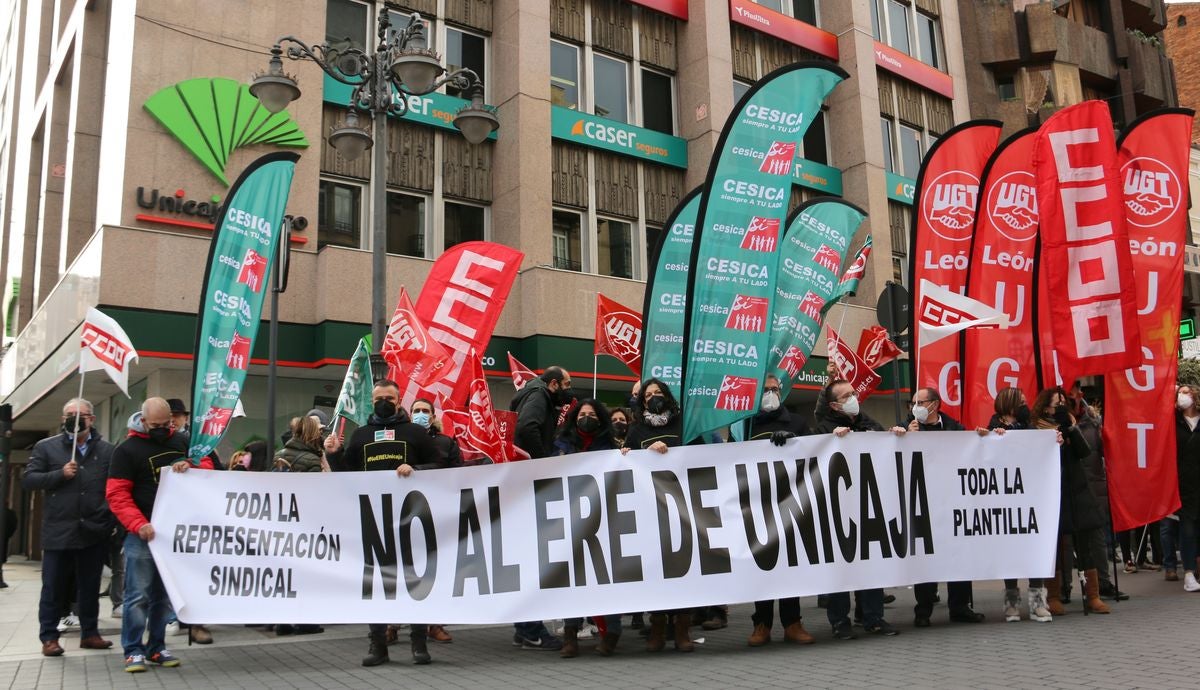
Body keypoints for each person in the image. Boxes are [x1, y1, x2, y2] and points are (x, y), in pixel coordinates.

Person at [333, 380, 443, 666]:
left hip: (411, 520)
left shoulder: (416, 433)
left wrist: (416, 468)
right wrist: (333, 455)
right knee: (376, 584)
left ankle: (419, 643)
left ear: (398, 401)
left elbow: (441, 465)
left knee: (415, 580)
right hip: (374, 522)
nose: (384, 402)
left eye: (389, 398)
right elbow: (346, 477)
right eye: (379, 398)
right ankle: (378, 644)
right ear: (372, 401)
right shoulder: (361, 435)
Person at [107, 397, 213, 673]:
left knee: (162, 597)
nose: (163, 428)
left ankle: (156, 647)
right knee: (137, 596)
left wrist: (191, 465)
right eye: (156, 425)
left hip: (173, 536)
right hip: (142, 534)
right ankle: (132, 650)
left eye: (167, 424)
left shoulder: (181, 442)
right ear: (143, 421)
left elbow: (209, 471)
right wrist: (137, 524)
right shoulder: (126, 451)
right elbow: (117, 495)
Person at [22, 397, 116, 656]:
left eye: (80, 414)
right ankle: (49, 638)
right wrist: (59, 475)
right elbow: (29, 479)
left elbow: (114, 489)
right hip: (59, 531)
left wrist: (107, 521)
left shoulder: (107, 451)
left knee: (89, 586)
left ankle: (90, 633)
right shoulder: (46, 447)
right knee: (53, 586)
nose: (74, 419)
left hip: (92, 531)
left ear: (92, 419)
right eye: (68, 415)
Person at [814, 379, 904, 639]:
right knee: (841, 568)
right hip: (839, 509)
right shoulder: (823, 429)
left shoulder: (866, 422)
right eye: (846, 396)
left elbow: (883, 446)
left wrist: (894, 435)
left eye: (853, 393)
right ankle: (839, 622)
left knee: (870, 564)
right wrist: (832, 441)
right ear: (833, 405)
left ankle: (873, 618)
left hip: (869, 507)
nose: (853, 398)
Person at [621, 378, 698, 652]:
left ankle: (682, 628)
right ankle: (658, 625)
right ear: (642, 402)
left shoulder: (684, 424)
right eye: (648, 395)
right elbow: (625, 460)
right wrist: (638, 453)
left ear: (667, 396)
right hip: (651, 508)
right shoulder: (636, 429)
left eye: (658, 393)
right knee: (656, 569)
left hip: (684, 506)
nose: (653, 397)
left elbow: (704, 456)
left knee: (683, 567)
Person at [904, 387, 987, 627]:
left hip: (952, 501)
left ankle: (960, 607)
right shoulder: (908, 427)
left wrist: (982, 439)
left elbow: (971, 452)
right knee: (925, 557)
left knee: (958, 555)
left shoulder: (955, 429)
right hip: (922, 502)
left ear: (935, 404)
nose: (915, 406)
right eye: (913, 402)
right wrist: (905, 436)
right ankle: (923, 610)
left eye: (920, 401)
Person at [745, 374, 815, 646]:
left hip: (790, 503)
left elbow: (813, 454)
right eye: (765, 390)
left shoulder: (796, 422)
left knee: (789, 565)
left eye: (775, 389)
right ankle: (761, 624)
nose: (771, 393)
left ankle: (792, 622)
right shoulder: (744, 425)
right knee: (763, 564)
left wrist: (795, 441)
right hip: (757, 504)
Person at [552, 399, 623, 657]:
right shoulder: (561, 444)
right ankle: (570, 634)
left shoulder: (611, 445)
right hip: (569, 517)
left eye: (592, 414)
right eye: (582, 414)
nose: (587, 418)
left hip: (603, 517)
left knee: (604, 576)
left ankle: (611, 631)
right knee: (573, 576)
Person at [507, 365, 571, 651]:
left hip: (521, 481)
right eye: (567, 385)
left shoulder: (529, 394)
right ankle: (531, 630)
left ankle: (525, 629)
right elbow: (527, 427)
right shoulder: (539, 396)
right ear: (554, 384)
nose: (568, 390)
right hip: (530, 481)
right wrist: (542, 461)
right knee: (533, 558)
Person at [987, 387, 1052, 622]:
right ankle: (1011, 602)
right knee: (1010, 551)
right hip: (1006, 498)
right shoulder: (994, 424)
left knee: (1033, 549)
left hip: (1030, 496)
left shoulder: (1030, 425)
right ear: (1010, 404)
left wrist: (1053, 441)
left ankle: (1038, 603)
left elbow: (1040, 448)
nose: (1026, 405)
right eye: (1021, 402)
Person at [410, 397, 460, 644]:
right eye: (416, 411)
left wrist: (418, 471)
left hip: (437, 512)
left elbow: (456, 472)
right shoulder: (401, 440)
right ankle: (393, 625)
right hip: (406, 513)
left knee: (436, 570)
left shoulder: (446, 442)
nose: (420, 414)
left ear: (432, 416)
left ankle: (435, 623)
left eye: (424, 411)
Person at [1174, 385, 1200, 592]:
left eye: (1187, 392)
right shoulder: (1173, 422)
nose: (1183, 396)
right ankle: (1189, 573)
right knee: (1188, 529)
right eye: (1180, 393)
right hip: (1183, 484)